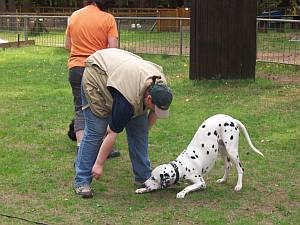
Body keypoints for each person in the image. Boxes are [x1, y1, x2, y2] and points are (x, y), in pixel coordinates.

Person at [74, 48, 173, 198]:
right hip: (97, 75)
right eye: (155, 108)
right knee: (96, 130)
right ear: (149, 100)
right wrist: (99, 164)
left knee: (138, 130)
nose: (157, 111)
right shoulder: (127, 102)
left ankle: (143, 177)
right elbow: (112, 133)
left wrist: (143, 132)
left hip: (122, 74)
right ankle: (82, 180)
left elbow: (152, 116)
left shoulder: (160, 87)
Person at [65, 0, 120, 158]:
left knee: (80, 108)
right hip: (97, 69)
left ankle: (81, 147)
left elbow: (68, 46)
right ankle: (104, 147)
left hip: (75, 68)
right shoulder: (108, 18)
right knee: (102, 107)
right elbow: (112, 49)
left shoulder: (74, 16)